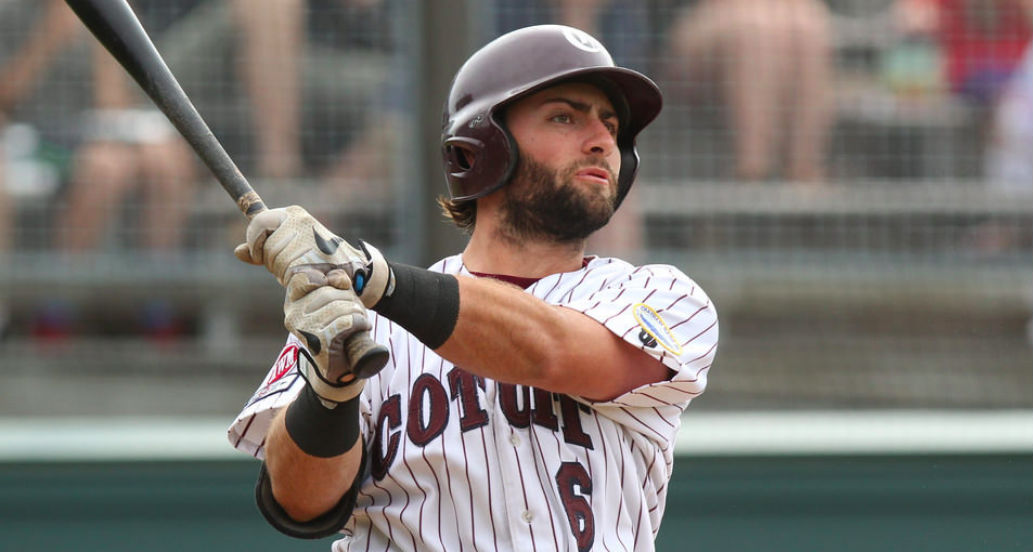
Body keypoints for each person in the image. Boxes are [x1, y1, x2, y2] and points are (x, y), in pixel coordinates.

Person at [227, 24, 719, 551]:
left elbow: (551, 352)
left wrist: (374, 279)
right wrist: (333, 386)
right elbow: (301, 502)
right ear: (481, 147)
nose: (602, 141)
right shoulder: (350, 312)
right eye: (564, 117)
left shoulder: (658, 296)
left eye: (611, 125)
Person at [664, 0, 834, 182]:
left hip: (778, 23)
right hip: (686, 29)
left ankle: (803, 174)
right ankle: (752, 176)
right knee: (754, 28)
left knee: (808, 23)